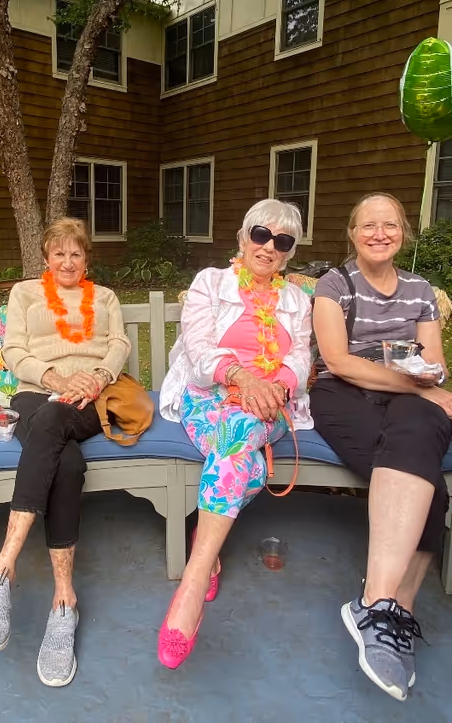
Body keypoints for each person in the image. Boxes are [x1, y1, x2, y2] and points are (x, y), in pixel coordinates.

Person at [0, 217, 131, 687]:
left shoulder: (105, 298)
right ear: (45, 257)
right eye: (58, 253)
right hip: (37, 394)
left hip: (91, 399)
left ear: (87, 259)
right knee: (68, 461)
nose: (67, 261)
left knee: (58, 424)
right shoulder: (24, 294)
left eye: (76, 253)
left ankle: (2, 567)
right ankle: (64, 600)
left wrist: (95, 378)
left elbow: (118, 344)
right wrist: (56, 379)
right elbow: (15, 351)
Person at [157, 199, 312, 669]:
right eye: (261, 235)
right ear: (243, 238)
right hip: (208, 396)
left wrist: (276, 386)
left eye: (282, 242)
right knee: (236, 449)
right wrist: (243, 379)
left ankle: (193, 579)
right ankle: (203, 570)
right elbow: (199, 350)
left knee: (237, 437)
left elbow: (301, 360)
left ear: (289, 253)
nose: (268, 247)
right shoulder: (211, 282)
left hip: (267, 404)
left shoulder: (297, 300)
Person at [310, 192, 452, 702]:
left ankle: (380, 604)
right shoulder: (334, 284)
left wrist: (428, 380)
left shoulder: (420, 290)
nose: (379, 233)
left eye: (389, 225)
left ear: (403, 232)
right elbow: (339, 361)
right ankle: (395, 613)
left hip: (409, 392)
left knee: (417, 438)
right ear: (352, 234)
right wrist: (420, 386)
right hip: (344, 393)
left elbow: (434, 361)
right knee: (426, 481)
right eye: (368, 225)